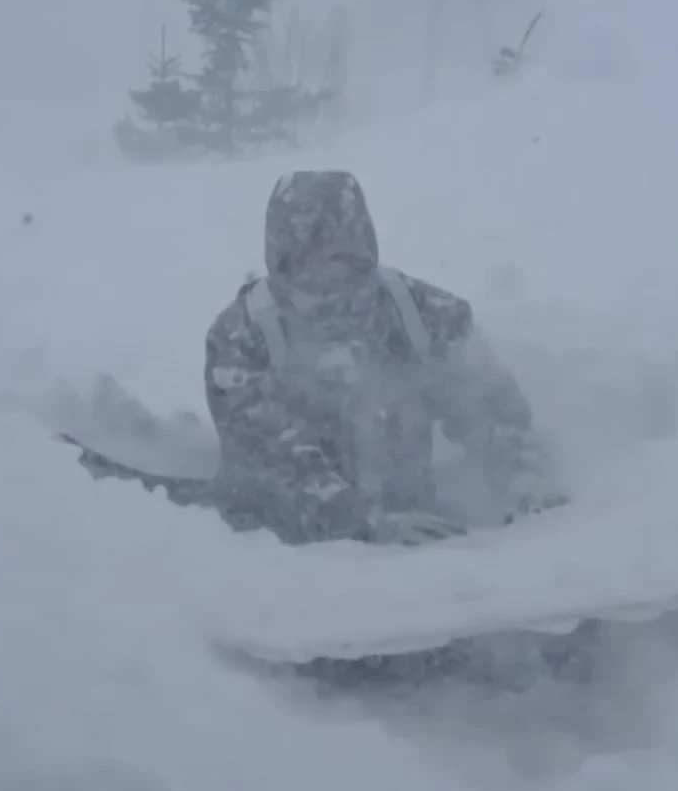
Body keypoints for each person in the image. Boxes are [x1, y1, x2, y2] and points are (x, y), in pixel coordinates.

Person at [203, 170, 564, 547]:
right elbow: (270, 462)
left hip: (420, 533)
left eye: (342, 262)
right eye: (309, 263)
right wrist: (360, 522)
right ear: (281, 260)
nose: (329, 280)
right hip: (290, 562)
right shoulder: (242, 339)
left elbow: (488, 406)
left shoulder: (420, 314)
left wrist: (525, 479)